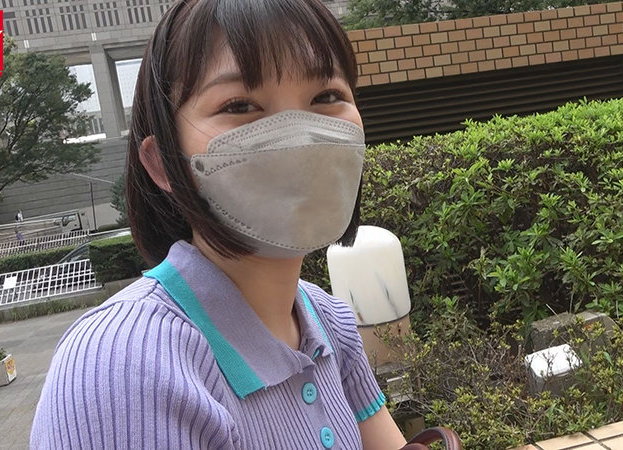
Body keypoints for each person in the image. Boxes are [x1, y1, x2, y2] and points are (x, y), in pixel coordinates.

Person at [30, 0, 409, 448]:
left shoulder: (331, 323)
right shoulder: (118, 364)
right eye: (240, 104)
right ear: (163, 163)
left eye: (326, 97)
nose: (299, 135)